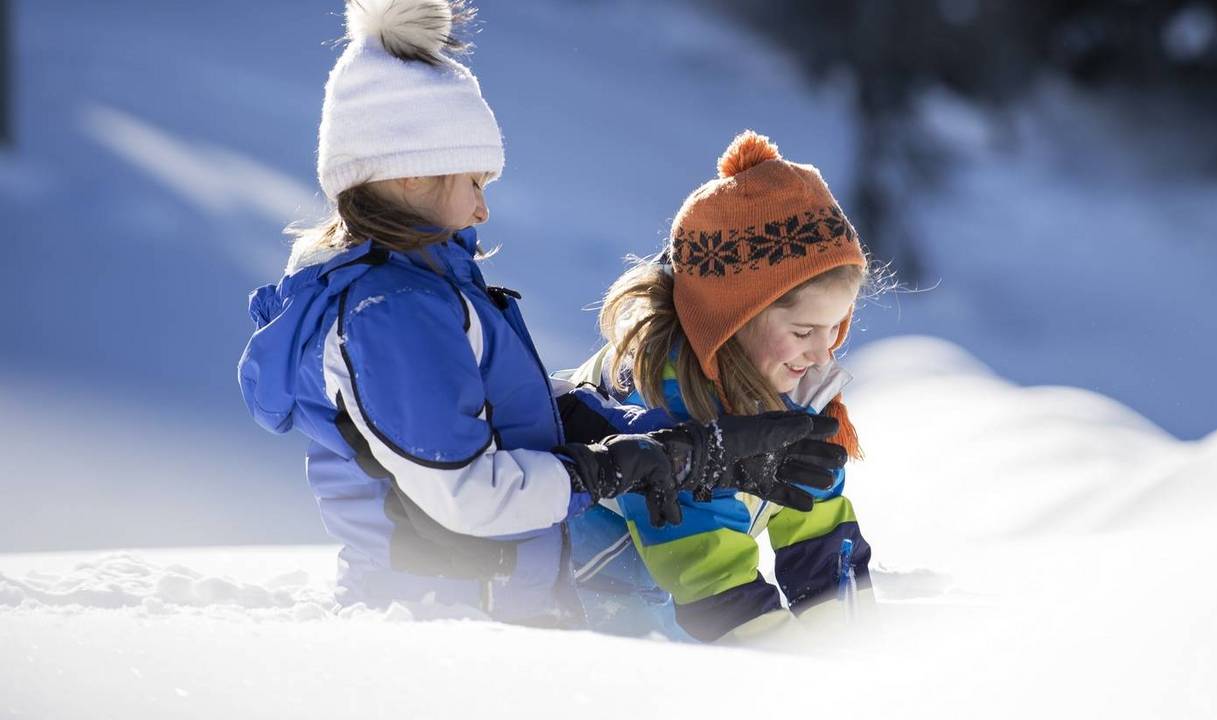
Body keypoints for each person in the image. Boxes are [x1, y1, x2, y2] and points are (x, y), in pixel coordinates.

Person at [237, 0, 828, 627]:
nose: (482, 210)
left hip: (487, 609)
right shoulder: (389, 314)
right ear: (411, 175)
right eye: (474, 181)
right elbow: (468, 494)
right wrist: (611, 466)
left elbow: (487, 414)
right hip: (438, 628)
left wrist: (660, 437)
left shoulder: (421, 292)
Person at [562, 130, 878, 643]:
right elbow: (707, 570)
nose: (824, 353)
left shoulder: (790, 377)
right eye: (804, 332)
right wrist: (794, 668)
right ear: (733, 320)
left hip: (679, 602)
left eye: (836, 329)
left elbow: (818, 521)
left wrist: (848, 642)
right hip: (603, 611)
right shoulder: (664, 401)